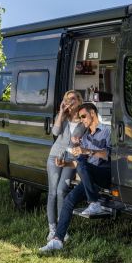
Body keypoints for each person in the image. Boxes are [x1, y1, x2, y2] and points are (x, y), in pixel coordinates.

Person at [39, 102, 111, 252]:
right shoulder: (85, 137)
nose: (82, 120)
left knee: (83, 161)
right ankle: (57, 239)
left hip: (104, 173)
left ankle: (94, 202)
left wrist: (87, 151)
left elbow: (109, 155)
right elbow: (78, 165)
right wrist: (64, 163)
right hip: (90, 178)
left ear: (93, 113)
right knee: (69, 200)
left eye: (84, 116)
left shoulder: (107, 131)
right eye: (80, 117)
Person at [45, 90, 85, 241]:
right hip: (55, 156)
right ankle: (52, 228)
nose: (70, 101)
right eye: (67, 99)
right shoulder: (63, 117)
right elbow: (55, 132)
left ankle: (62, 229)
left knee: (62, 191)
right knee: (53, 192)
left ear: (79, 101)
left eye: (73, 99)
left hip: (71, 159)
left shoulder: (83, 120)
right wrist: (61, 112)